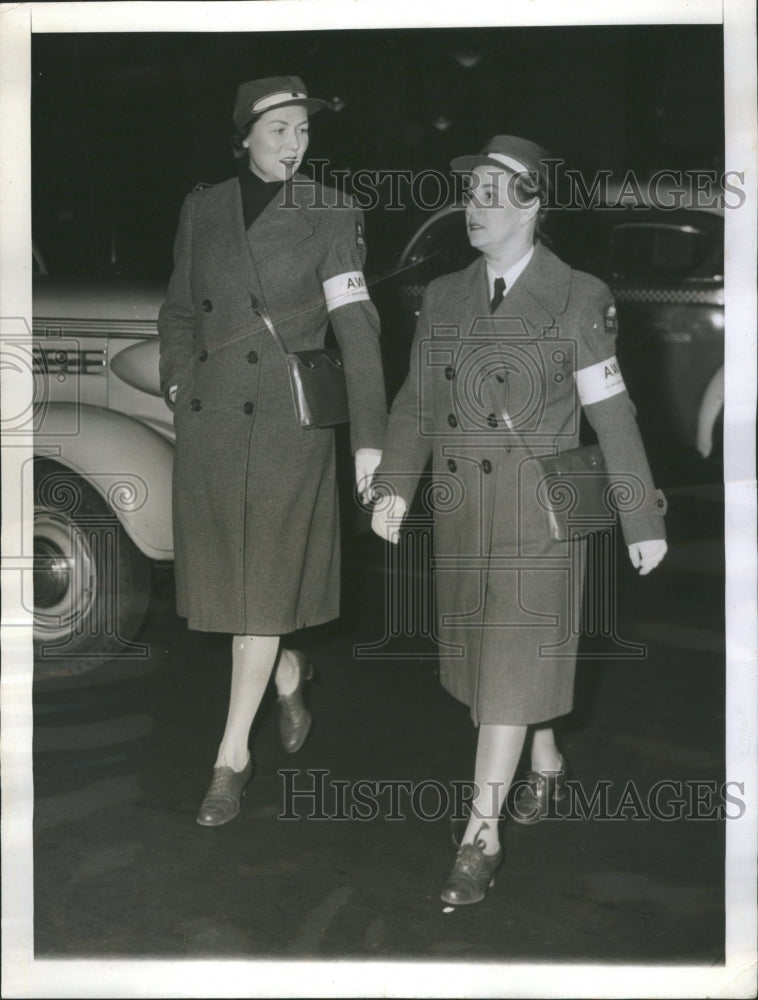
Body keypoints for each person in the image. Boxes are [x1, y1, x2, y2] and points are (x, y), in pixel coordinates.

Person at [372, 135, 667, 905]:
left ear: (533, 205)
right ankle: (546, 756)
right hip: (466, 512)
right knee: (489, 672)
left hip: (540, 518)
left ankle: (479, 836)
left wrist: (642, 517)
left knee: (505, 674)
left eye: (493, 195)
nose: (474, 206)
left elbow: (614, 413)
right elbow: (414, 404)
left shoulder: (578, 296)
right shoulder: (442, 295)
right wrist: (396, 486)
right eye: (470, 193)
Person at [159, 76, 387, 827]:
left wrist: (369, 442)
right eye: (282, 129)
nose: (296, 143)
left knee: (258, 595)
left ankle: (230, 758)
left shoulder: (332, 211)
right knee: (233, 593)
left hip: (290, 428)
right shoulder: (203, 207)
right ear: (246, 137)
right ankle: (289, 669)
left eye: (304, 131)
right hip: (213, 422)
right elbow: (180, 309)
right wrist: (176, 382)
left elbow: (356, 327)